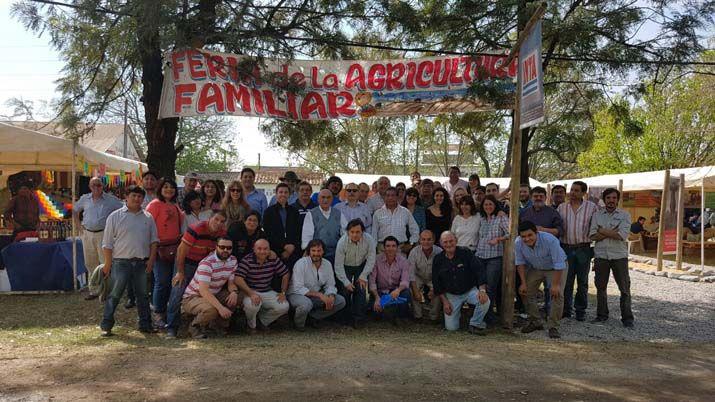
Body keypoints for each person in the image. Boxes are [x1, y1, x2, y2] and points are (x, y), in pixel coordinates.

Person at [99, 186, 159, 337]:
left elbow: (154, 242)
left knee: (143, 296)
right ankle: (106, 325)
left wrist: (151, 260)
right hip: (120, 262)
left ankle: (145, 325)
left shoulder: (148, 217)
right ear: (126, 196)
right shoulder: (114, 216)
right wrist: (107, 264)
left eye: (140, 196)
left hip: (141, 263)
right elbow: (107, 244)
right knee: (114, 295)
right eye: (134, 196)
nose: (137, 199)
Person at [165, 211, 228, 338]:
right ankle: (172, 328)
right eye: (216, 219)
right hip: (186, 263)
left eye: (222, 221)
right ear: (210, 218)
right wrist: (180, 271)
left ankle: (201, 325)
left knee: (202, 293)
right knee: (177, 292)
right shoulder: (197, 228)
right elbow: (181, 251)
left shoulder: (222, 233)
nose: (218, 223)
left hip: (203, 265)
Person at [589, 188, 634, 328]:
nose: (611, 200)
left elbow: (622, 236)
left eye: (614, 198)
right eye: (608, 198)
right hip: (601, 256)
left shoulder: (625, 215)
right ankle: (602, 315)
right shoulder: (597, 215)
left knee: (624, 288)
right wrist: (612, 232)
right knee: (601, 287)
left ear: (617, 200)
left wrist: (601, 230)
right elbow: (592, 236)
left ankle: (627, 318)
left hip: (619, 256)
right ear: (604, 199)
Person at [515, 221, 568, 339]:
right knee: (525, 291)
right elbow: (520, 263)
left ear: (536, 233)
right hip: (537, 268)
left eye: (530, 235)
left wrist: (554, 285)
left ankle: (553, 326)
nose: (527, 239)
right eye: (523, 236)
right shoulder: (518, 243)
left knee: (557, 294)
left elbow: (559, 264)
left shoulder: (550, 240)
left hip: (555, 268)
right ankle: (535, 321)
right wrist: (523, 283)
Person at [145, 178, 186, 328]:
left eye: (172, 187)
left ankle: (170, 313)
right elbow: (147, 227)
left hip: (175, 249)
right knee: (161, 282)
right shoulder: (154, 205)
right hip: (159, 249)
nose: (169, 190)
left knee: (171, 282)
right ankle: (158, 313)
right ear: (160, 189)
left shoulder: (175, 206)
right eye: (166, 187)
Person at [73, 177, 123, 299]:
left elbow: (123, 210)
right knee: (90, 262)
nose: (96, 187)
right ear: (90, 187)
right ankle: (94, 290)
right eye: (93, 185)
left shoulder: (111, 200)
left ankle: (107, 289)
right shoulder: (85, 198)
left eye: (98, 185)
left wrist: (116, 229)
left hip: (104, 234)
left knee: (105, 262)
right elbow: (75, 210)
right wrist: (79, 227)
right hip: (87, 233)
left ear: (103, 186)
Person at [180, 237, 239, 339]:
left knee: (238, 297)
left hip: (213, 294)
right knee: (212, 309)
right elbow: (203, 291)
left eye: (229, 248)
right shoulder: (207, 263)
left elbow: (231, 284)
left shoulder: (233, 260)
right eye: (222, 247)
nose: (225, 250)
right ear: (216, 247)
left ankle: (217, 327)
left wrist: (234, 292)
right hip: (193, 297)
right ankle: (194, 327)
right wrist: (220, 308)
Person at [432, 231, 490, 334]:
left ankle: (474, 324)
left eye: (451, 241)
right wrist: (445, 302)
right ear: (441, 243)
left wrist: (482, 290)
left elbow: (479, 270)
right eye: (445, 242)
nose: (449, 244)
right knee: (451, 328)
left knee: (485, 300)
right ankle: (459, 315)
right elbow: (437, 283)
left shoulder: (466, 252)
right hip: (451, 295)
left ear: (456, 241)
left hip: (469, 290)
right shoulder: (438, 259)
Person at [519, 186, 564, 316]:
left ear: (545, 197)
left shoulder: (552, 212)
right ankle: (534, 318)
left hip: (550, 256)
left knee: (554, 289)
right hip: (531, 258)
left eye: (541, 196)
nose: (538, 198)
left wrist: (543, 230)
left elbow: (559, 231)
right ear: (531, 197)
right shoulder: (525, 213)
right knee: (528, 289)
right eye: (535, 196)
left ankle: (551, 317)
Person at [557, 181, 598, 321]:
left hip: (583, 248)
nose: (572, 193)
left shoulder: (592, 207)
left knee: (582, 281)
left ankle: (580, 310)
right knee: (566, 281)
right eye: (571, 190)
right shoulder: (562, 207)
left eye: (576, 190)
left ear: (583, 193)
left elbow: (596, 226)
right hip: (566, 248)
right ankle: (566, 310)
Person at [288, 239, 346, 330]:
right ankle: (299, 325)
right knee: (306, 304)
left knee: (340, 301)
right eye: (313, 251)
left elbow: (330, 284)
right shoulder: (301, 263)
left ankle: (312, 318)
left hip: (315, 295)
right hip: (296, 294)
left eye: (319, 250)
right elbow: (298, 288)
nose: (316, 253)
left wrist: (331, 296)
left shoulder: (327, 264)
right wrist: (320, 295)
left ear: (323, 251)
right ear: (309, 251)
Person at [235, 239, 290, 333]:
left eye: (265, 249)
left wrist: (283, 292)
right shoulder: (247, 260)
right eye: (259, 248)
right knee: (252, 305)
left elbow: (285, 273)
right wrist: (251, 293)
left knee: (284, 306)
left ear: (269, 250)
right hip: (250, 291)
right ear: (254, 249)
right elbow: (238, 279)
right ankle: (251, 326)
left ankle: (262, 322)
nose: (262, 251)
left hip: (267, 290)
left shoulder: (273, 259)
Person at [334, 219, 376, 328]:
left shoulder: (369, 240)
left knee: (361, 290)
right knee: (345, 291)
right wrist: (346, 282)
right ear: (348, 232)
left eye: (358, 232)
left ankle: (359, 319)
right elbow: (338, 265)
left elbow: (371, 259)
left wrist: (363, 276)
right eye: (352, 232)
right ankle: (344, 318)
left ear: (363, 232)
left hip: (361, 266)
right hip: (345, 266)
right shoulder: (342, 242)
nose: (355, 235)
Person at [475, 195, 510, 323]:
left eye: (490, 204)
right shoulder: (482, 218)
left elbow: (511, 233)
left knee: (491, 287)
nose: (488, 207)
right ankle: (482, 314)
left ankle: (489, 315)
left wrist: (498, 239)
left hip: (494, 257)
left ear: (495, 205)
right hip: (480, 256)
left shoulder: (501, 217)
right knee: (481, 286)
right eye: (485, 205)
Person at [369, 236, 412, 324]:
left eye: (393, 246)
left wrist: (398, 290)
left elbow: (405, 280)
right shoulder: (376, 260)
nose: (390, 249)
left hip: (395, 291)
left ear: (397, 248)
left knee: (406, 293)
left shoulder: (403, 261)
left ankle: (400, 316)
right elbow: (372, 281)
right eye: (388, 246)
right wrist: (377, 298)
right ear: (384, 248)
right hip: (380, 292)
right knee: (376, 314)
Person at [301, 189, 347, 264]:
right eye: (323, 197)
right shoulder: (311, 214)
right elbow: (307, 235)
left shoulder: (339, 214)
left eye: (328, 197)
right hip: (317, 254)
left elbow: (345, 233)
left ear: (332, 199)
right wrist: (308, 251)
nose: (325, 200)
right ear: (318, 199)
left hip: (335, 254)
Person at [263, 183, 302, 268]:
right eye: (280, 192)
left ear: (289, 194)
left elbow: (298, 231)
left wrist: (291, 247)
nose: (283, 194)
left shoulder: (294, 211)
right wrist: (283, 247)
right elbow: (268, 232)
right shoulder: (269, 212)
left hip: (293, 250)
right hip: (275, 250)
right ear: (276, 194)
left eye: (286, 192)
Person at [371, 187, 420, 255]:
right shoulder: (378, 213)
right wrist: (374, 249)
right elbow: (374, 234)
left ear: (397, 197)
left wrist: (411, 243)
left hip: (400, 249)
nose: (390, 198)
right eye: (388, 195)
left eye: (393, 195)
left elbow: (415, 230)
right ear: (384, 197)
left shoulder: (405, 212)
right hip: (382, 249)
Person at [408, 230, 442, 322]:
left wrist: (434, 288)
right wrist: (415, 291)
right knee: (412, 290)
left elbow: (441, 274)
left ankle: (433, 317)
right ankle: (417, 316)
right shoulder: (414, 252)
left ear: (434, 240)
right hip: (418, 276)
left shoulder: (440, 252)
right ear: (419, 240)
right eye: (423, 239)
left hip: (434, 278)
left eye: (429, 239)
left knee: (438, 291)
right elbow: (411, 273)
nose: (426, 242)